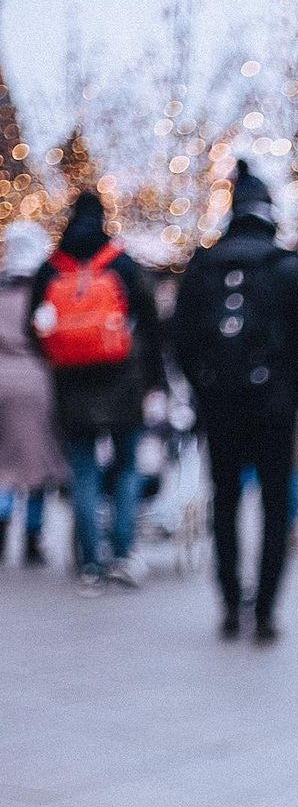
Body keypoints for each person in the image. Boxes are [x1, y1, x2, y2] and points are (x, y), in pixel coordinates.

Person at [173, 160, 298, 641]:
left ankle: (228, 601)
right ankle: (264, 610)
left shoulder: (203, 265)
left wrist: (203, 389)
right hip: (275, 408)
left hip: (220, 405)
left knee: (226, 502)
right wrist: (293, 395)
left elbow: (179, 337)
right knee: (276, 507)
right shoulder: (286, 266)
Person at [26, 193, 165, 593]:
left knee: (84, 473)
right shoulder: (121, 263)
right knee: (125, 469)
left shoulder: (51, 268)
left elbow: (33, 328)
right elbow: (153, 325)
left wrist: (57, 358)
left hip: (71, 386)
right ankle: (122, 554)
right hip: (124, 383)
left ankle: (90, 564)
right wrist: (152, 378)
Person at [0, 221, 68, 565]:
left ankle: (1, 524)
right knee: (36, 462)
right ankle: (32, 534)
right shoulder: (44, 291)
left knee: (3, 463)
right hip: (34, 380)